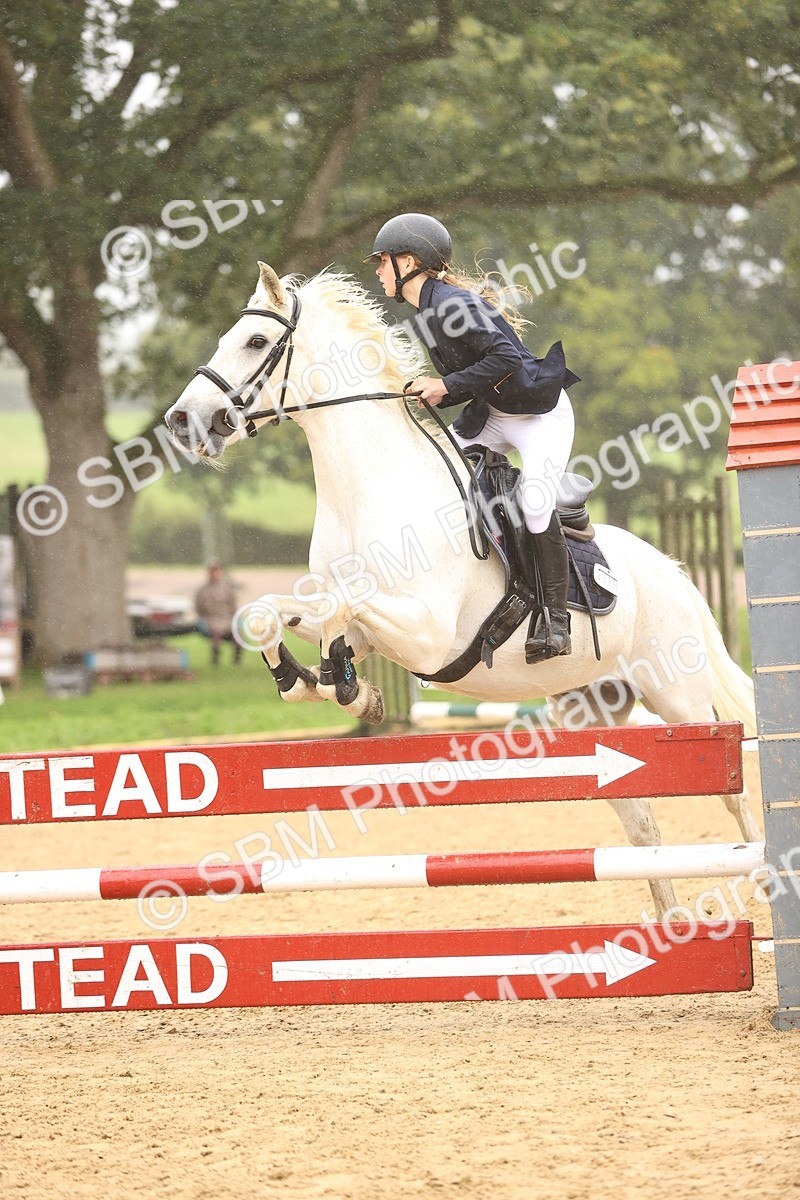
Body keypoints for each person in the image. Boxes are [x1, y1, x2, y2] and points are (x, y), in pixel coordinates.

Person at [365, 212, 580, 661]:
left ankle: (557, 623)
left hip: (539, 414)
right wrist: (435, 394)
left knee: (537, 504)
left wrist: (446, 386)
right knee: (435, 469)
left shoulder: (447, 304)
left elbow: (505, 356)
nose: (378, 270)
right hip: (494, 414)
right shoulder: (428, 308)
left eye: (382, 261)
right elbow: (472, 374)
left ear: (409, 261)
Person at [194, 560, 241, 666]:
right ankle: (215, 659)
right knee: (216, 634)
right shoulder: (202, 590)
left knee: (238, 637)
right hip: (211, 619)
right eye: (212, 571)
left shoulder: (226, 588)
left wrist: (234, 618)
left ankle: (236, 661)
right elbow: (198, 607)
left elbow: (232, 604)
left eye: (216, 570)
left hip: (227, 618)